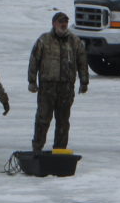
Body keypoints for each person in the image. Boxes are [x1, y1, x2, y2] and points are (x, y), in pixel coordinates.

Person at [27, 12, 88, 152]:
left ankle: (60, 150)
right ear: (54, 23)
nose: (64, 24)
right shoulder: (44, 40)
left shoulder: (74, 41)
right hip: (47, 87)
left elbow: (82, 61)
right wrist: (32, 81)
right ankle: (37, 148)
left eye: (66, 21)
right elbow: (34, 60)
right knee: (43, 119)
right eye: (61, 21)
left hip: (66, 88)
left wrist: (84, 82)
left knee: (63, 121)